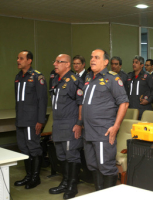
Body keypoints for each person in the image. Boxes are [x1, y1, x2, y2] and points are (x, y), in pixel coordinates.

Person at [82, 49, 129, 190]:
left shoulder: (112, 78)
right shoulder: (89, 77)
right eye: (91, 57)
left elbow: (124, 103)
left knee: (106, 166)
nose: (92, 60)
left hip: (103, 131)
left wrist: (115, 126)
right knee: (92, 165)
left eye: (97, 57)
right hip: (88, 131)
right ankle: (99, 193)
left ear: (106, 62)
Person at [49, 54, 84, 199]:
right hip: (58, 123)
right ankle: (65, 181)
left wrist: (79, 124)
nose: (55, 64)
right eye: (55, 61)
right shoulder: (56, 80)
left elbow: (81, 103)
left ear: (68, 65)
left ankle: (72, 185)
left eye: (59, 62)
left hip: (70, 124)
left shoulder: (74, 81)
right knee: (61, 155)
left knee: (71, 156)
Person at [14, 50, 48, 189]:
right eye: (18, 58)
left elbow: (42, 100)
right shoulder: (18, 77)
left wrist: (40, 121)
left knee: (33, 148)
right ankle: (28, 176)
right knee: (23, 148)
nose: (18, 60)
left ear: (29, 61)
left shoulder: (37, 77)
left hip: (31, 120)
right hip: (20, 119)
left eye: (21, 58)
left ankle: (35, 177)